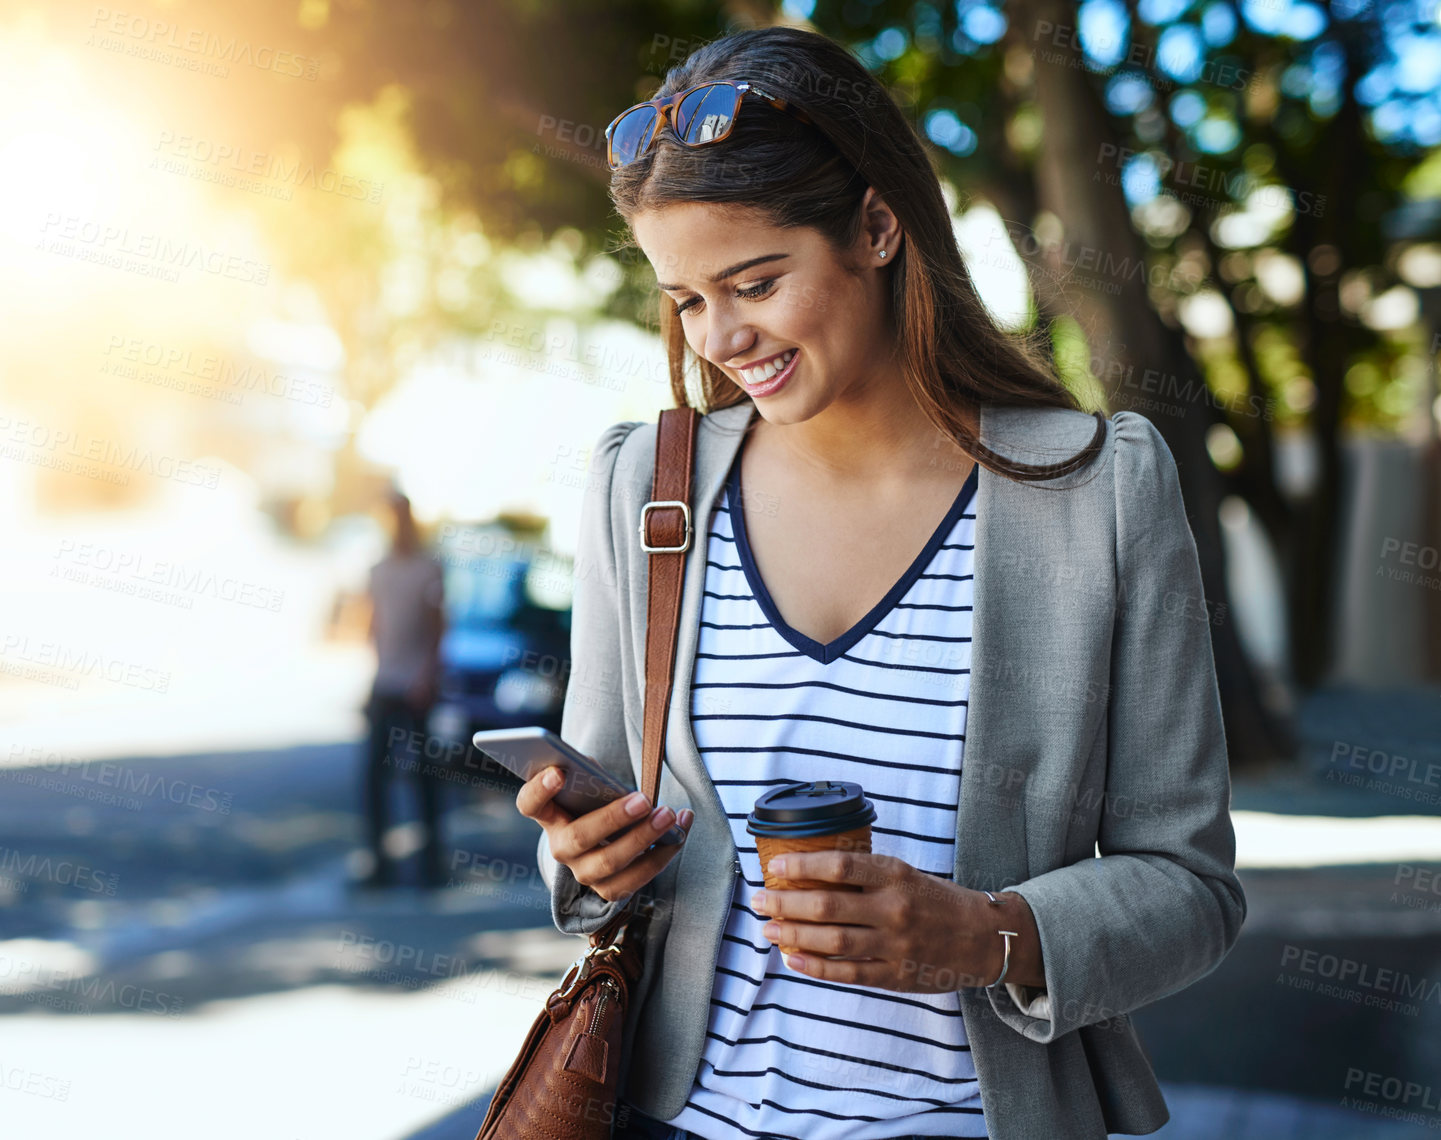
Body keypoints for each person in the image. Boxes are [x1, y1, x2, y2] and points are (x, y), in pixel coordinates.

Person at [515, 25, 1244, 1140]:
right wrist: (584, 854)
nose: (722, 337)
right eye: (687, 300)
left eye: (754, 281)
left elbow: (1188, 886)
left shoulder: (1095, 491)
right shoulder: (642, 491)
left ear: (876, 225)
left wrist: (992, 933)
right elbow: (606, 847)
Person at [360, 487, 450, 889]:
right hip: (385, 683)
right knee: (374, 778)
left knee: (424, 777)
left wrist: (427, 676)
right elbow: (373, 623)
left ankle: (432, 866)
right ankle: (380, 865)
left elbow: (438, 628)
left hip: (417, 686)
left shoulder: (428, 568)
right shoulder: (377, 570)